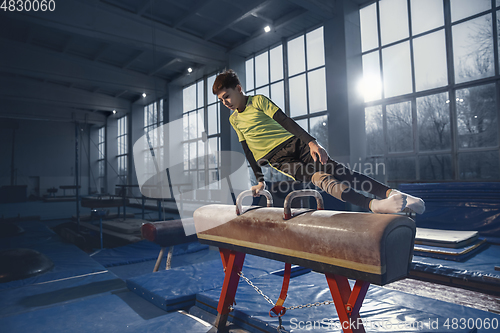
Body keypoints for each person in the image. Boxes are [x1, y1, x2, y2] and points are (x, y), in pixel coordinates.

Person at [212, 69, 425, 214]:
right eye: (221, 100)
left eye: (227, 96)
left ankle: (395, 194)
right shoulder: (235, 120)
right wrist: (260, 179)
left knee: (339, 170)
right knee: (321, 179)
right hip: (277, 158)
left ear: (239, 89)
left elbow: (285, 121)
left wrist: (312, 142)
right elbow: (248, 150)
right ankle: (374, 205)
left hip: (296, 143)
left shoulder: (258, 101)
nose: (225, 102)